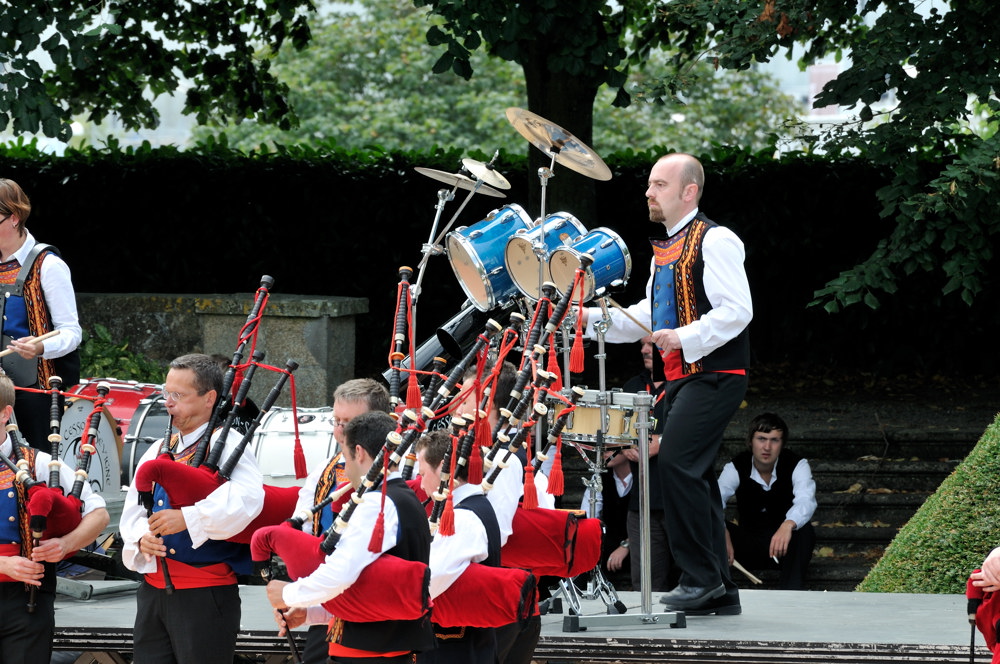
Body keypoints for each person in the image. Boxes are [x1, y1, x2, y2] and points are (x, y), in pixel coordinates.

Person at [581, 152, 752, 615]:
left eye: (659, 184)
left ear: (688, 192)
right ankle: (719, 589)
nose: (648, 192)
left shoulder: (716, 240)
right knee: (690, 472)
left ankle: (700, 580)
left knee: (676, 465)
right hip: (687, 378)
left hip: (715, 374)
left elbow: (737, 310)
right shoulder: (668, 249)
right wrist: (584, 320)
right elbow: (645, 317)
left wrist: (684, 336)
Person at [119, 353, 265, 663]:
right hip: (153, 592)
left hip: (203, 595)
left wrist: (189, 518)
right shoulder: (161, 449)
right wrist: (140, 538)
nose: (168, 402)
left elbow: (248, 500)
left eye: (179, 395)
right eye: (166, 392)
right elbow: (134, 508)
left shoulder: (227, 444)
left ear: (209, 398)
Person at [268, 410, 434, 663]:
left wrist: (289, 593)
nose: (345, 467)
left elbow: (341, 572)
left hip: (366, 653)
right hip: (387, 649)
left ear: (359, 452)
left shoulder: (377, 503)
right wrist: (311, 612)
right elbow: (368, 587)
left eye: (345, 457)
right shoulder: (405, 499)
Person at [0, 374, 109, 664]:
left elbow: (98, 514)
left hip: (26, 603)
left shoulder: (41, 464)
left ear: (5, 413)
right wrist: (3, 564)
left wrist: (65, 544)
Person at [291, 377, 391, 664]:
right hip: (327, 599)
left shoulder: (399, 472)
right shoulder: (326, 468)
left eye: (349, 422)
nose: (340, 430)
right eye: (337, 420)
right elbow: (302, 523)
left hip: (373, 606)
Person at [0, 178, 82, 453]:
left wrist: (41, 346)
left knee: (39, 464)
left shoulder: (48, 265)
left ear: (13, 217)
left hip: (38, 389)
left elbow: (71, 332)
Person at [416, 429, 502, 664]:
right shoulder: (475, 507)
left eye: (423, 473)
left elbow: (431, 582)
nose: (421, 483)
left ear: (444, 468)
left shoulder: (464, 518)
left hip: (456, 649)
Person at [718, 413, 816, 590]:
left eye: (774, 440)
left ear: (782, 443)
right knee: (710, 526)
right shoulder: (736, 466)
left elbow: (806, 500)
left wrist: (788, 525)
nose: (767, 447)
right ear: (751, 441)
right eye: (761, 439)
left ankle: (791, 593)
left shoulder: (797, 464)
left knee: (804, 529)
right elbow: (715, 500)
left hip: (785, 549)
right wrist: (721, 530)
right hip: (749, 548)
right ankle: (718, 591)